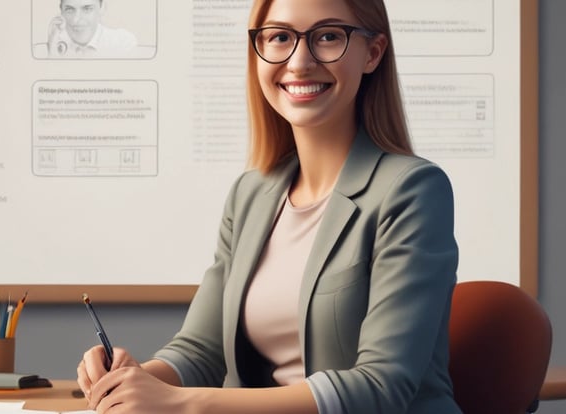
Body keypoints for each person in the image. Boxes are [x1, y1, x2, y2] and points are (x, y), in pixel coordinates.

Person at [76, 0, 462, 412]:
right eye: (279, 37)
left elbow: (379, 388)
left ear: (373, 53)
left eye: (328, 36)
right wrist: (134, 382)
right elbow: (201, 351)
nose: (299, 62)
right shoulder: (251, 194)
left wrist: (182, 404)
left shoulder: (412, 190)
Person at [47, 0, 138, 58]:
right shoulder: (54, 43)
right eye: (69, 9)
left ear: (102, 8)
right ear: (61, 11)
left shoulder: (122, 42)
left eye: (87, 9)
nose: (76, 20)